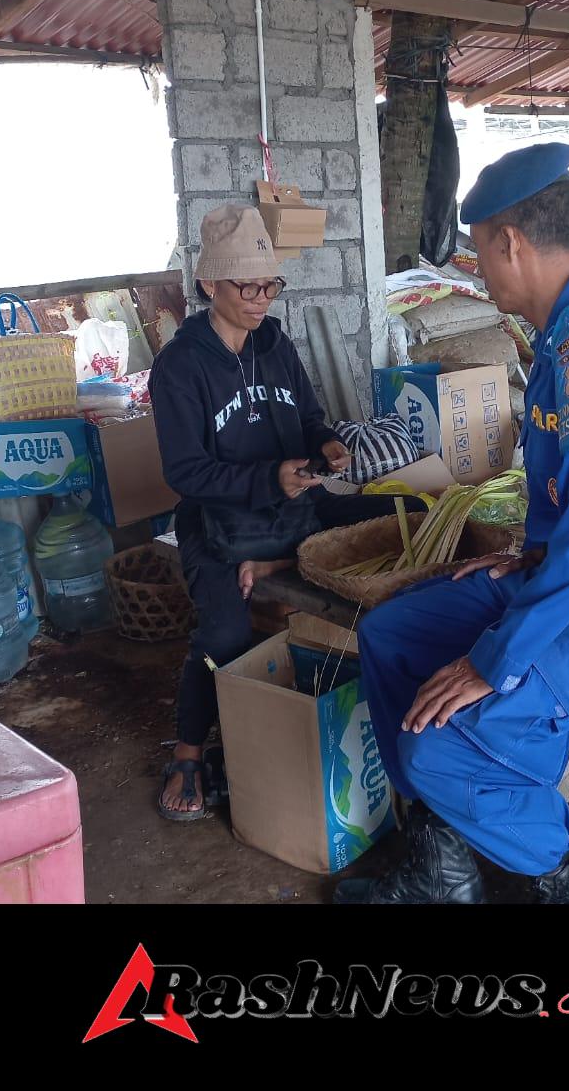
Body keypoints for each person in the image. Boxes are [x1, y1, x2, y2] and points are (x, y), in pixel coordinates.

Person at [336, 142, 569, 905]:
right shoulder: (560, 333)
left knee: (449, 740)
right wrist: (527, 555)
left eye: (478, 254)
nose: (477, 271)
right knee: (391, 636)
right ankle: (446, 867)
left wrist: (492, 659)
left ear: (512, 244)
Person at [149, 203, 402, 821]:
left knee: (401, 515)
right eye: (248, 287)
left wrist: (327, 445)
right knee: (225, 635)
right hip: (219, 525)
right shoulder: (179, 368)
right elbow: (186, 474)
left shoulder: (275, 344)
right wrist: (269, 479)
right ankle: (186, 751)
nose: (261, 299)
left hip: (295, 508)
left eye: (271, 285)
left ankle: (274, 563)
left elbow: (310, 418)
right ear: (210, 284)